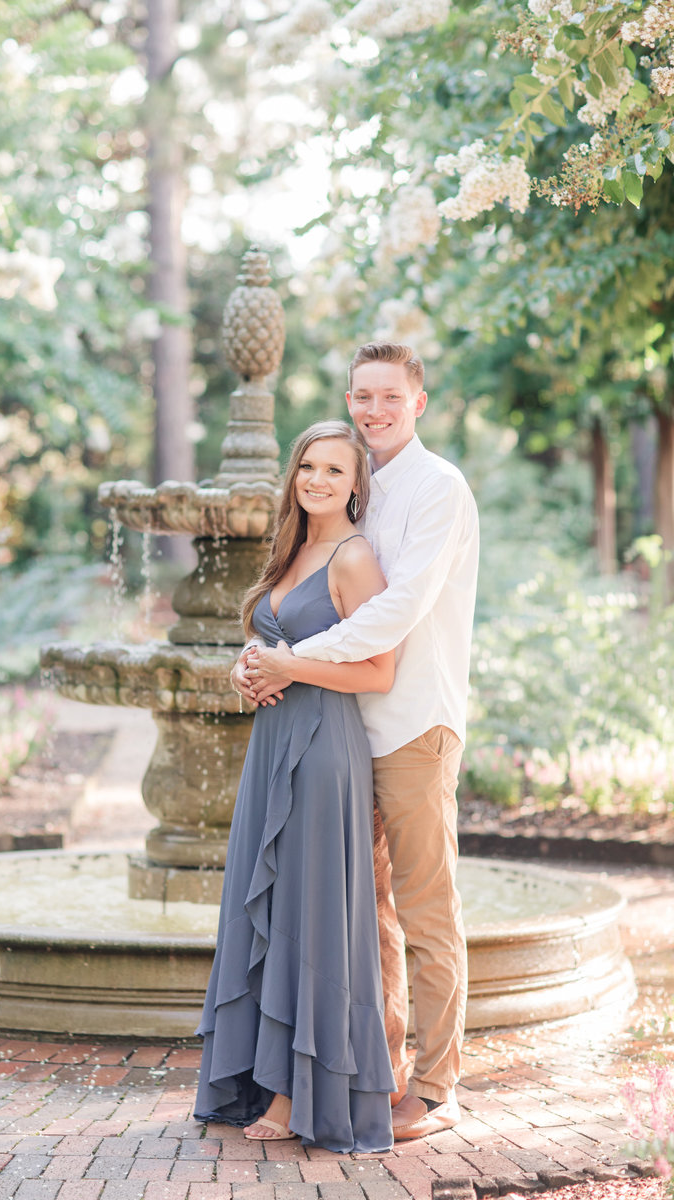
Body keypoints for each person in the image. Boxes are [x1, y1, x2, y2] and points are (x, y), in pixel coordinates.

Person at [245, 343, 480, 1141]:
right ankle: (378, 1074)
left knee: (425, 910)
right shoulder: (358, 486)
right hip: (346, 734)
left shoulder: (439, 488)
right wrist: (265, 660)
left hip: (414, 726)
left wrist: (292, 661)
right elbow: (310, 594)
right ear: (349, 402)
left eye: (390, 396)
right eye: (363, 396)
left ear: (418, 402)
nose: (375, 410)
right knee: (365, 915)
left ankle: (438, 1088)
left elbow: (398, 609)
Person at [194, 419, 400, 1154]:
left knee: (309, 914)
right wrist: (246, 669)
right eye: (309, 466)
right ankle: (254, 1078)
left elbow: (379, 671)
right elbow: (269, 641)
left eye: (335, 470)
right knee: (266, 903)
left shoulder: (354, 557)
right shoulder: (291, 549)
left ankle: (294, 1096)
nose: (317, 480)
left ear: (356, 485)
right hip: (272, 743)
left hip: (322, 749)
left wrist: (287, 667)